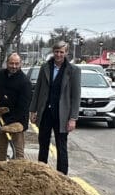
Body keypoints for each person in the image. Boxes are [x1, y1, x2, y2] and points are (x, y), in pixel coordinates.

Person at [30, 41, 81, 175]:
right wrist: (33, 110)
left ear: (66, 53)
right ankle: (41, 172)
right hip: (45, 112)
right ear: (53, 52)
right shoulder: (45, 67)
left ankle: (62, 176)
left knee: (61, 146)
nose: (58, 54)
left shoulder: (74, 71)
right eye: (56, 52)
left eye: (61, 52)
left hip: (62, 115)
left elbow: (76, 96)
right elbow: (38, 90)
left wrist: (73, 118)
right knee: (43, 144)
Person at [0, 52, 32, 161]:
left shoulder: (24, 82)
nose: (14, 66)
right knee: (1, 148)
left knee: (18, 150)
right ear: (7, 63)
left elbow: (24, 106)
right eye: (11, 63)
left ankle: (18, 171)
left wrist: (10, 123)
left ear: (20, 64)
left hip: (18, 120)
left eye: (16, 64)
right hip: (3, 118)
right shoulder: (2, 74)